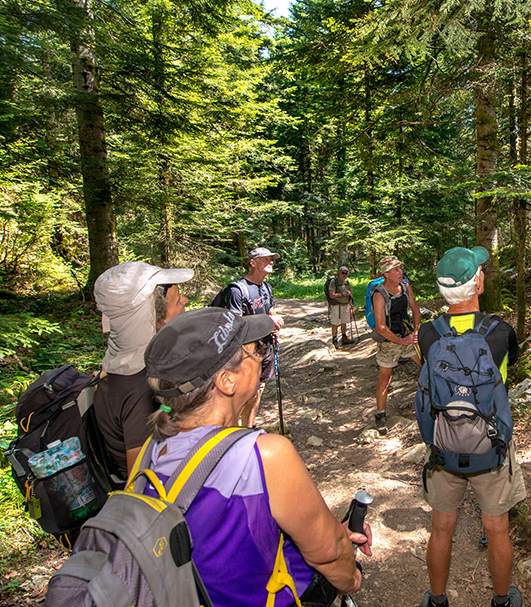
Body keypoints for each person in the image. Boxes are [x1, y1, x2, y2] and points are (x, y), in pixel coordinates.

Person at [141, 308, 372, 607]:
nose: (262, 355)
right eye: (255, 349)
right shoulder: (264, 455)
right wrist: (352, 578)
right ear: (227, 381)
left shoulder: (152, 448)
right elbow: (328, 552)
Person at [416, 246, 525, 607]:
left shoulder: (427, 334)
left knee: (441, 528)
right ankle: (501, 600)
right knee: (497, 529)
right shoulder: (500, 332)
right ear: (477, 283)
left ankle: (436, 599)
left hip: (444, 445)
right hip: (490, 446)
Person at [92, 261, 193, 478]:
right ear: (154, 317)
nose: (185, 301)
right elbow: (138, 479)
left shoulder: (117, 368)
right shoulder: (140, 387)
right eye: (177, 300)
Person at [223, 246, 287, 428]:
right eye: (266, 259)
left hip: (266, 345)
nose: (271, 262)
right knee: (244, 392)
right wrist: (266, 321)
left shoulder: (266, 287)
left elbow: (270, 310)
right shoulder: (238, 289)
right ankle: (235, 433)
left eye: (271, 259)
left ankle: (250, 428)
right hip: (247, 349)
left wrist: (275, 320)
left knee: (258, 389)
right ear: (253, 263)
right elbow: (236, 323)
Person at [371, 255, 421, 434]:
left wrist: (415, 331)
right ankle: (381, 415)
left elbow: (415, 308)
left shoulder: (406, 287)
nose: (400, 272)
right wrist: (401, 341)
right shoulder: (379, 294)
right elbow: (381, 327)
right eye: (396, 270)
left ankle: (431, 403)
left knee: (426, 367)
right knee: (385, 378)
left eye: (400, 268)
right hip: (389, 341)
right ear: (386, 274)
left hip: (407, 334)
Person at [327, 266, 356, 348]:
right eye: (343, 273)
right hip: (336, 305)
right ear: (339, 273)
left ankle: (344, 338)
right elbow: (331, 295)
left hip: (345, 304)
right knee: (335, 323)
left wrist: (350, 299)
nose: (344, 275)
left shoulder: (346, 282)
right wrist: (343, 294)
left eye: (346, 273)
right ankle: (334, 339)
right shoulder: (334, 282)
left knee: (344, 321)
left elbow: (349, 292)